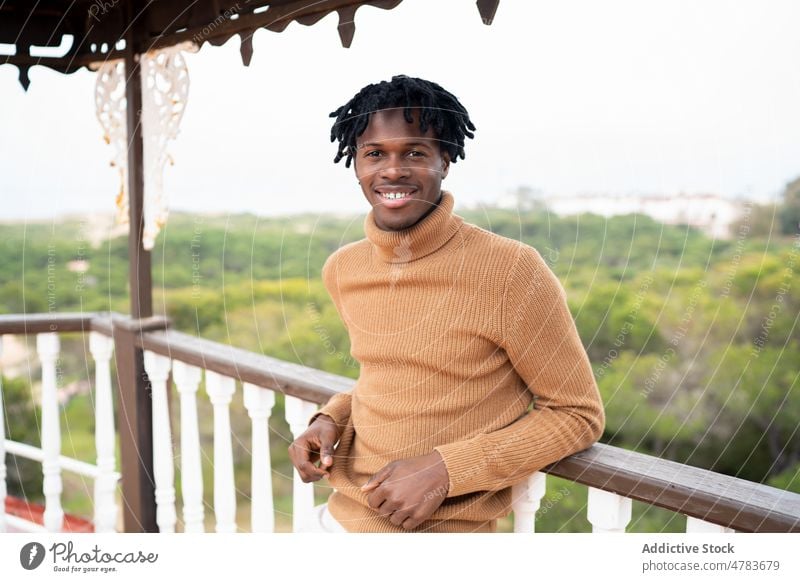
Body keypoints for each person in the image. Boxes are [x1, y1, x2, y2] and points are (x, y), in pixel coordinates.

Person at [288, 74, 605, 533]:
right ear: (355, 163)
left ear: (446, 161)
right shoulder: (344, 269)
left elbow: (577, 414)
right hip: (336, 521)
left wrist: (445, 469)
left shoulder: (511, 270)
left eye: (414, 153)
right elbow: (391, 377)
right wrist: (330, 417)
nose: (392, 170)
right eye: (374, 153)